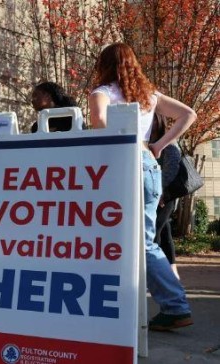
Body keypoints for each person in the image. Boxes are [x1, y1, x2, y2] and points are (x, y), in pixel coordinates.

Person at [89, 43, 195, 331]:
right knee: (140, 240)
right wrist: (158, 145)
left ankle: (174, 306)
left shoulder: (103, 93)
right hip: (149, 166)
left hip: (121, 167)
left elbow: (98, 122)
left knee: (132, 241)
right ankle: (161, 304)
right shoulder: (149, 95)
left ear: (105, 65)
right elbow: (189, 114)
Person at [150, 114, 182, 279]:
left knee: (153, 232)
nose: (150, 121)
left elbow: (172, 167)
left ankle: (156, 274)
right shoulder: (145, 139)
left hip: (164, 196)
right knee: (165, 232)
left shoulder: (167, 139)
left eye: (154, 118)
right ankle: (173, 273)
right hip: (154, 194)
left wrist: (159, 190)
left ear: (160, 120)